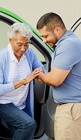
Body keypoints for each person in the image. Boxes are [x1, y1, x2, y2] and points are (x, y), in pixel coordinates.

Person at [0, 22, 46, 140]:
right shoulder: (1, 57)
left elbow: (41, 68)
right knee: (28, 124)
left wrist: (40, 75)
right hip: (3, 102)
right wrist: (24, 81)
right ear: (10, 40)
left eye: (26, 44)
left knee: (23, 135)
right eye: (19, 44)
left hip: (20, 103)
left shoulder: (29, 53)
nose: (23, 48)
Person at [36, 12, 81, 140]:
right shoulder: (66, 44)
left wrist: (41, 75)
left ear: (57, 29)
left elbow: (56, 79)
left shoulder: (68, 44)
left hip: (72, 110)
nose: (44, 41)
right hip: (70, 109)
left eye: (45, 36)